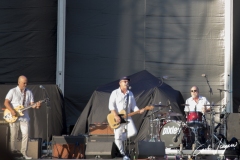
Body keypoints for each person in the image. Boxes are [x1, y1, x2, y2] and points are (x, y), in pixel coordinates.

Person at [4, 75, 41, 159]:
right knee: (14, 135)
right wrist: (12, 110)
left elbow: (32, 105)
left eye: (26, 83)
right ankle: (13, 154)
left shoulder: (29, 92)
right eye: (24, 83)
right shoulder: (12, 91)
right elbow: (6, 102)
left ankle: (24, 153)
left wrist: (37, 105)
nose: (25, 84)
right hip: (13, 116)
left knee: (26, 135)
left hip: (24, 117)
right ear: (19, 82)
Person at [108, 76, 144, 159]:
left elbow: (134, 106)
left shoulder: (130, 93)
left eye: (127, 81)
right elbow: (111, 106)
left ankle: (118, 140)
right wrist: (116, 115)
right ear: (120, 83)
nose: (126, 83)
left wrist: (139, 110)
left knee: (133, 132)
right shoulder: (115, 93)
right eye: (124, 81)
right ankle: (122, 153)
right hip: (118, 118)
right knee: (117, 136)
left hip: (127, 116)